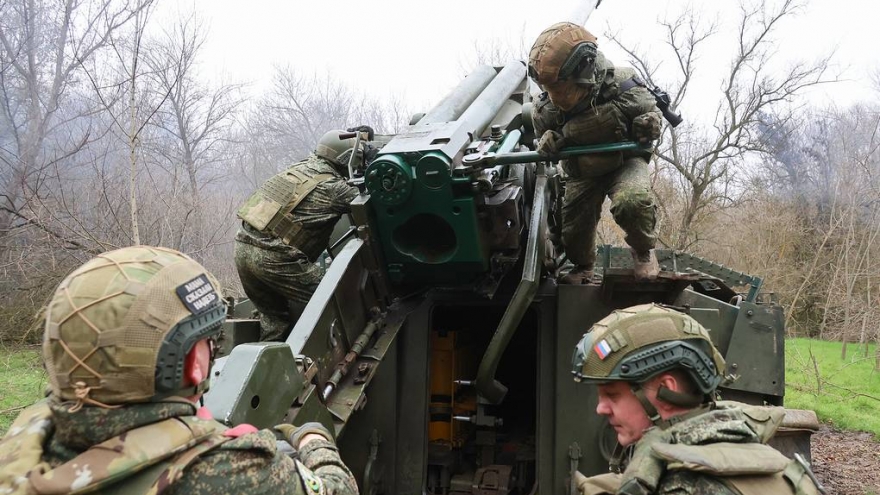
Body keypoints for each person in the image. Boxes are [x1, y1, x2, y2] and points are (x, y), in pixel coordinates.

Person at [0, 246, 359, 495]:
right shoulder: (229, 474)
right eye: (208, 341)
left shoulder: (26, 438)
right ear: (192, 365)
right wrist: (312, 439)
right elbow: (338, 489)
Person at [569, 304, 823, 495]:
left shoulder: (686, 485)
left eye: (612, 395)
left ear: (666, 390)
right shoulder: (763, 460)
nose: (601, 408)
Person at [528, 22, 662, 283]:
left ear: (584, 72)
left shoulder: (624, 86)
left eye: (562, 89)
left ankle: (643, 251)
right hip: (582, 171)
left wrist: (649, 124)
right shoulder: (545, 109)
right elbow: (541, 139)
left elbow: (652, 115)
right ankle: (583, 267)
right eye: (550, 90)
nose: (555, 98)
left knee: (633, 202)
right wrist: (546, 141)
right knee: (573, 228)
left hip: (624, 162)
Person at [235, 127, 372, 341]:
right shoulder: (334, 188)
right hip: (275, 259)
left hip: (242, 250)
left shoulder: (300, 168)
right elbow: (373, 203)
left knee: (275, 322)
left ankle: (270, 358)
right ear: (347, 159)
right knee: (340, 302)